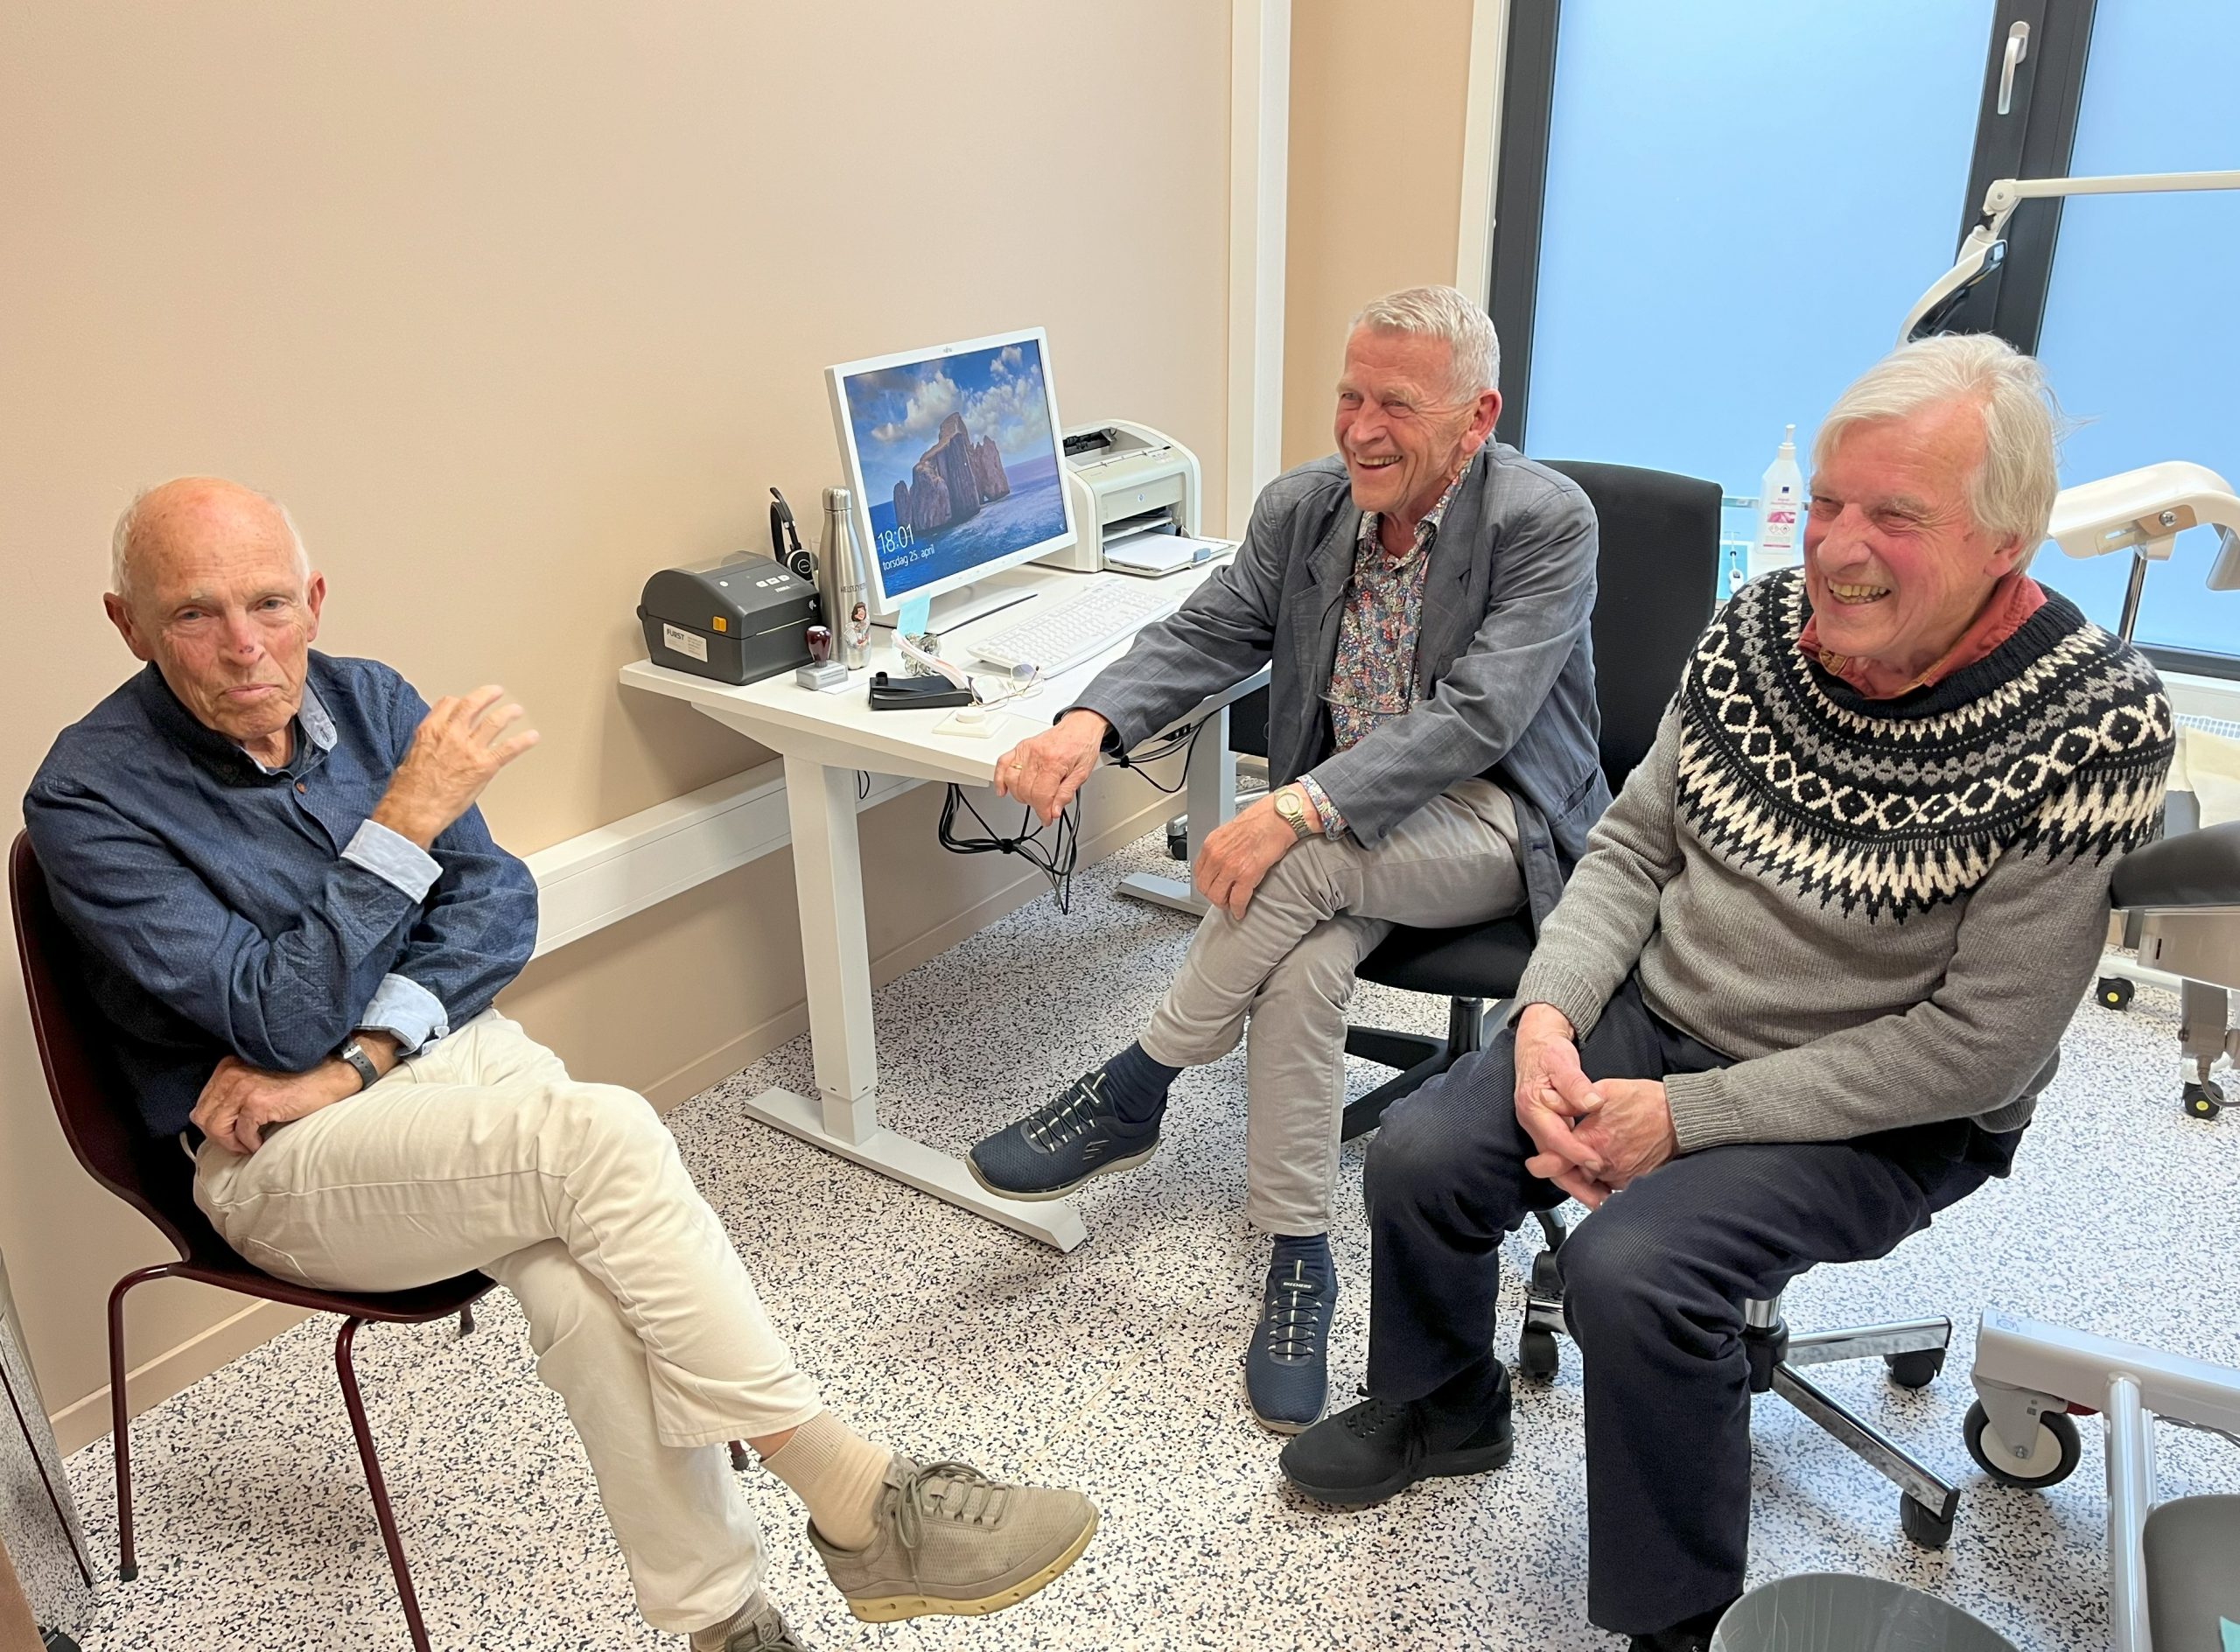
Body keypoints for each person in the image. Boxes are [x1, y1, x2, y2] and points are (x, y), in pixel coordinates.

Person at [24, 478, 1097, 1652]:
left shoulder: (371, 701)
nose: (245, 646)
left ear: (314, 600)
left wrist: (358, 1058)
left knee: (590, 1296)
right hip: (271, 1157)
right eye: (195, 613)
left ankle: (725, 1626)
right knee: (606, 1134)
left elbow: (495, 906)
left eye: (270, 603)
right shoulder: (88, 796)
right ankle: (858, 1498)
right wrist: (401, 827)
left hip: (417, 1068)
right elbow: (274, 1019)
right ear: (129, 623)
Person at [1276, 334, 2177, 1651]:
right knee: (1423, 1153)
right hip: (1664, 1010)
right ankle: (1447, 1403)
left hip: (1890, 1103)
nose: (1839, 548)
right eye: (1828, 502)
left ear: (2007, 541)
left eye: (1896, 517)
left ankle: (1681, 1618)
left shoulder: (2095, 725)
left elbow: (1981, 1045)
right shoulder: (1757, 625)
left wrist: (1685, 1122)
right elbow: (1635, 848)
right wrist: (1546, 1017)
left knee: (1635, 1274)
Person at [967, 285, 1607, 1433]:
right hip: (1357, 827)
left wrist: (1297, 807)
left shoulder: (1544, 521)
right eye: (1350, 395)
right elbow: (1208, 631)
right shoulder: (1306, 509)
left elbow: (1478, 716)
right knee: (1302, 967)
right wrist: (1087, 726)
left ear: (1477, 417)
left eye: (1396, 404)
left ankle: (1138, 1084)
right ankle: (1300, 1256)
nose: (1361, 427)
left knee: (1289, 864)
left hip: (1494, 817)